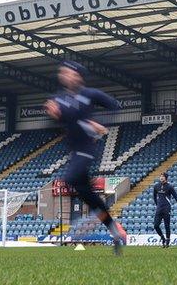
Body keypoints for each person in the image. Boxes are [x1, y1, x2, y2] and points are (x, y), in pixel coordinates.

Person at [44, 60, 128, 254]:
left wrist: (96, 123)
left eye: (68, 72)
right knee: (89, 197)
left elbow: (116, 106)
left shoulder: (90, 94)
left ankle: (100, 221)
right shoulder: (59, 99)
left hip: (87, 149)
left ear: (78, 76)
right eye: (62, 73)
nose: (64, 75)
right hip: (74, 152)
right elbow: (54, 125)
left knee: (70, 179)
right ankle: (114, 230)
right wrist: (52, 115)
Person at [151, 172, 177, 248]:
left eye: (163, 176)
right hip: (159, 208)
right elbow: (154, 196)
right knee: (156, 225)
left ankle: (168, 241)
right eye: (160, 176)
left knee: (167, 225)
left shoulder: (170, 187)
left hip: (167, 208)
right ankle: (163, 238)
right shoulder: (156, 186)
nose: (161, 177)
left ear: (166, 178)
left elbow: (176, 197)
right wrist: (157, 205)